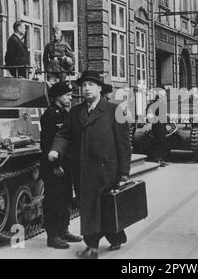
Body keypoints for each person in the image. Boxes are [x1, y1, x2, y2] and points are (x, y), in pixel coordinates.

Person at [48, 70, 131, 259]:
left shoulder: (114, 110)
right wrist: (56, 149)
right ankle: (93, 245)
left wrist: (124, 172)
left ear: (100, 88)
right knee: (89, 208)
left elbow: (124, 144)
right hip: (83, 170)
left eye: (91, 85)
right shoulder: (75, 112)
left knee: (106, 208)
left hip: (107, 170)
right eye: (83, 85)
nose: (86, 89)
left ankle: (112, 238)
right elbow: (64, 134)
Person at [40, 81, 82, 249]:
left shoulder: (65, 114)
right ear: (58, 97)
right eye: (67, 95)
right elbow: (47, 144)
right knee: (54, 201)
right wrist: (56, 164)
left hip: (66, 164)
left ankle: (64, 231)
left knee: (65, 200)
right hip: (54, 166)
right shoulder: (50, 115)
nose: (70, 98)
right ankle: (53, 236)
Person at [146, 93, 169, 167]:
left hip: (161, 125)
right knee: (158, 142)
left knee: (161, 142)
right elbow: (149, 116)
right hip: (156, 126)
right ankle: (157, 159)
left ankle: (160, 159)